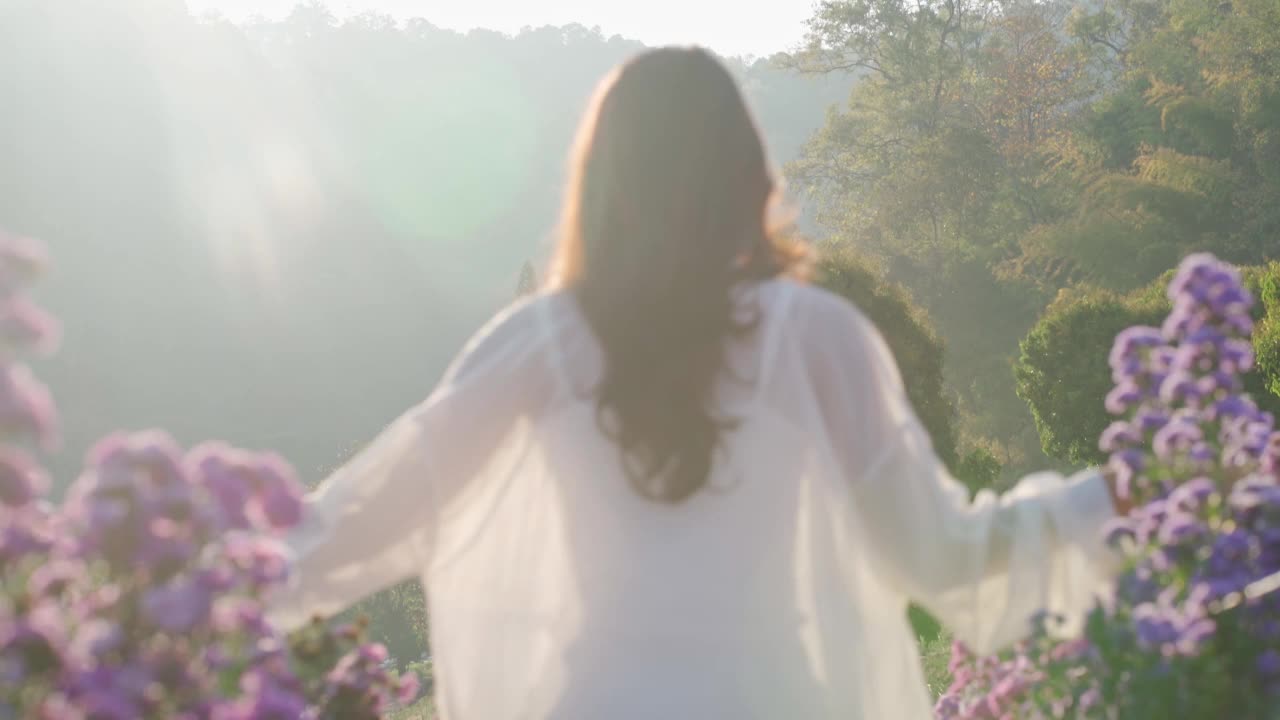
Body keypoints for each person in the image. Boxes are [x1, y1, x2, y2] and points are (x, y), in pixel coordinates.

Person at [268, 47, 1121, 719]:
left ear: (600, 188)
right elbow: (943, 556)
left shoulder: (537, 346)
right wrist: (1117, 499)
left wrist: (176, 578)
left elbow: (356, 528)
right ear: (749, 177)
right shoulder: (820, 337)